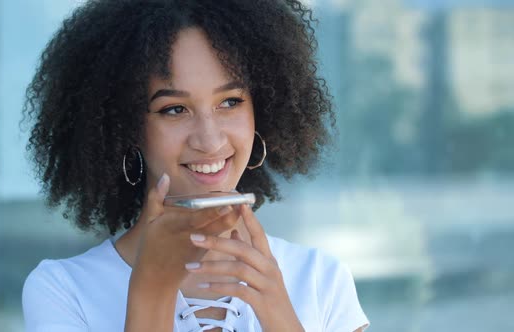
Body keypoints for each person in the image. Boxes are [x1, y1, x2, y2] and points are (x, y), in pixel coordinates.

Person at [21, 0, 369, 331]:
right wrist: (152, 288)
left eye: (230, 102)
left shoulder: (320, 280)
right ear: (124, 127)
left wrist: (278, 313)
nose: (209, 139)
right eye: (174, 109)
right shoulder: (63, 291)